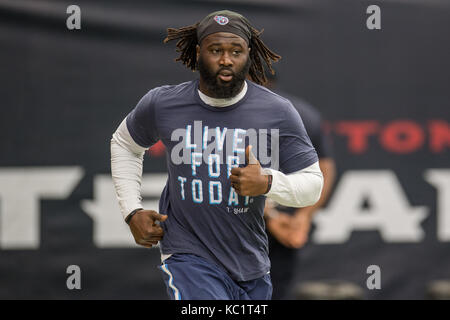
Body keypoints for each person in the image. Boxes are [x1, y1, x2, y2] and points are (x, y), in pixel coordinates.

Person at [110, 10, 323, 300]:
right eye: (216, 50)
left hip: (251, 262)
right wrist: (131, 210)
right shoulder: (163, 103)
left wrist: (267, 184)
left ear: (248, 55)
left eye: (236, 51)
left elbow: (312, 185)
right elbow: (124, 144)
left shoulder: (278, 111)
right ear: (198, 53)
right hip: (188, 254)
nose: (226, 59)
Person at [263, 74, 336, 299]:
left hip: (280, 226)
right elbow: (326, 169)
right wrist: (299, 216)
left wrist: (302, 216)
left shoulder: (300, 115)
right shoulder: (303, 112)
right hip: (266, 221)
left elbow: (324, 169)